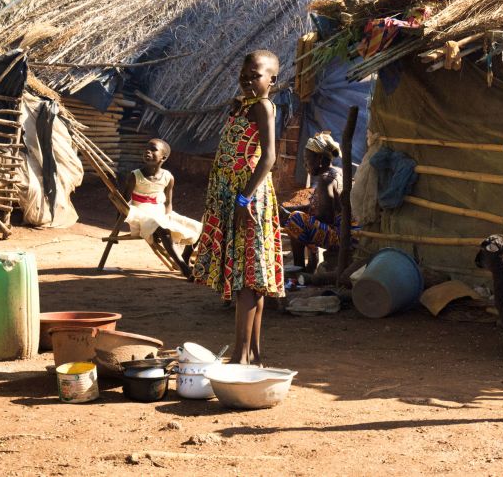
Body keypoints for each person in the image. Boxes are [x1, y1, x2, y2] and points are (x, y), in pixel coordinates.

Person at [192, 50, 285, 365]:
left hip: (248, 197)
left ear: (272, 79)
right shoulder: (245, 105)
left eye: (255, 76)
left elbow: (268, 157)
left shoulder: (263, 107)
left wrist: (244, 198)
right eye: (244, 76)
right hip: (235, 194)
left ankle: (240, 355)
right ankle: (252, 354)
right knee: (249, 276)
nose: (247, 81)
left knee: (248, 276)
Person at [124, 138, 201, 278]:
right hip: (140, 213)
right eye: (146, 149)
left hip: (160, 212)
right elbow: (124, 201)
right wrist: (119, 220)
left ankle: (185, 256)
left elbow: (168, 203)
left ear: (163, 157)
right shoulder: (135, 176)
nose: (147, 151)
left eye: (153, 149)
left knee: (199, 227)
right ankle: (183, 267)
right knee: (163, 228)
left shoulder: (168, 177)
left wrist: (168, 217)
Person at [283, 131, 347, 273]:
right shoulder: (336, 172)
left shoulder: (326, 180)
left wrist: (293, 215)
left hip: (342, 237)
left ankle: (299, 268)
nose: (305, 164)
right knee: (300, 217)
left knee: (295, 220)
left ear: (320, 159)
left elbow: (325, 217)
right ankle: (309, 264)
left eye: (307, 159)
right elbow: (320, 207)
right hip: (347, 233)